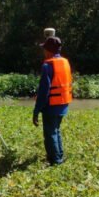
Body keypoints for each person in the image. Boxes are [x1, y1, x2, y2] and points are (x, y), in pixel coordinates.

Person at [33, 36, 72, 165]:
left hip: (51, 105)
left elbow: (44, 91)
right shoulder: (65, 62)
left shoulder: (47, 66)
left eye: (44, 49)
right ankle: (59, 156)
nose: (43, 51)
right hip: (63, 103)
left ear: (49, 50)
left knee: (50, 134)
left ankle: (55, 161)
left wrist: (36, 110)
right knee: (56, 131)